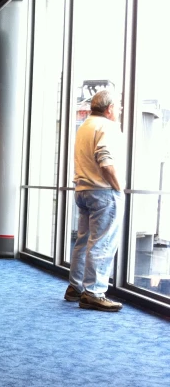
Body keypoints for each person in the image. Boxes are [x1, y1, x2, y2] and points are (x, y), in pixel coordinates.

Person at [64, 89, 124, 312]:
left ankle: (75, 288)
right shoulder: (107, 126)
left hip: (83, 190)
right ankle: (94, 292)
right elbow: (105, 160)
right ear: (109, 109)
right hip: (102, 191)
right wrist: (118, 187)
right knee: (102, 242)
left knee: (83, 241)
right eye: (116, 107)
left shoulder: (85, 126)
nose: (117, 111)